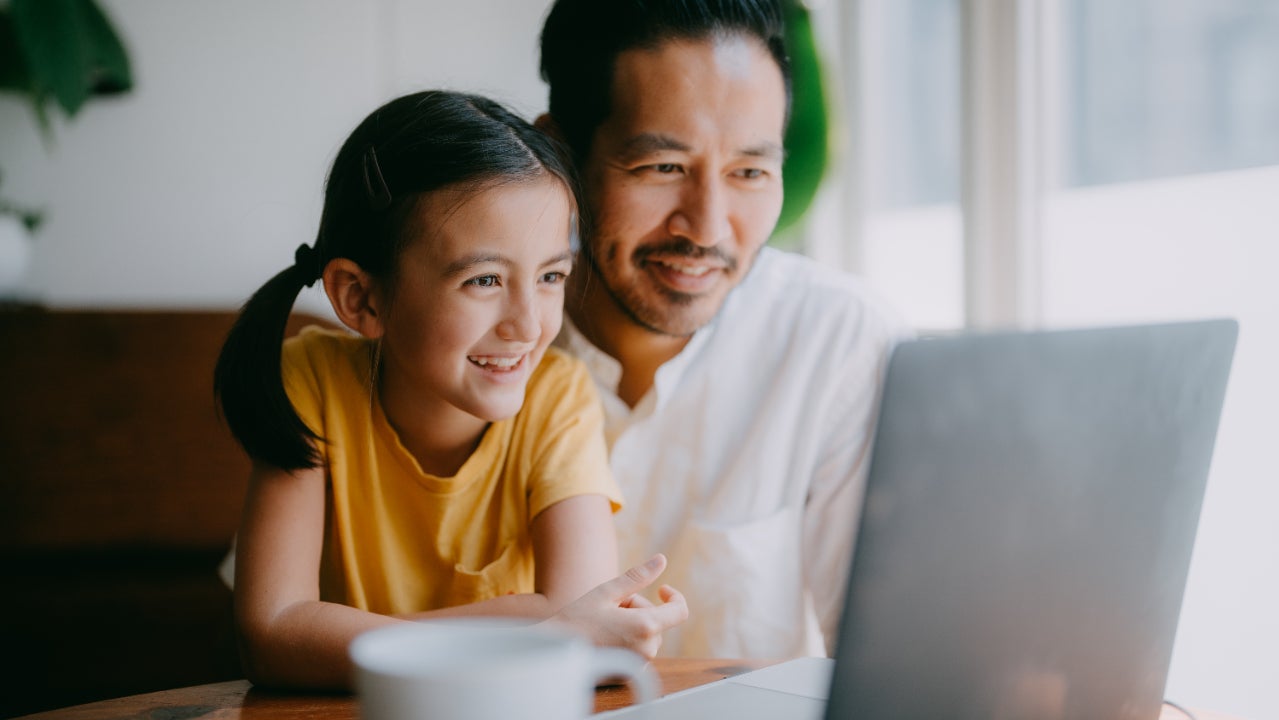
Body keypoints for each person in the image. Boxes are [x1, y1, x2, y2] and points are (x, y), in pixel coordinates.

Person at [213, 90, 686, 690]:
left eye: (550, 276)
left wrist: (343, 636)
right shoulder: (313, 381)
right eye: (484, 279)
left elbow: (578, 626)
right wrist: (526, 627)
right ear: (362, 298)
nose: (530, 324)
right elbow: (272, 637)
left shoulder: (559, 398)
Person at [537, 0, 912, 659]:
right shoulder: (477, 347)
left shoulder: (838, 340)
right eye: (664, 168)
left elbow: (900, 659)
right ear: (560, 155)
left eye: (749, 173)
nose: (707, 228)